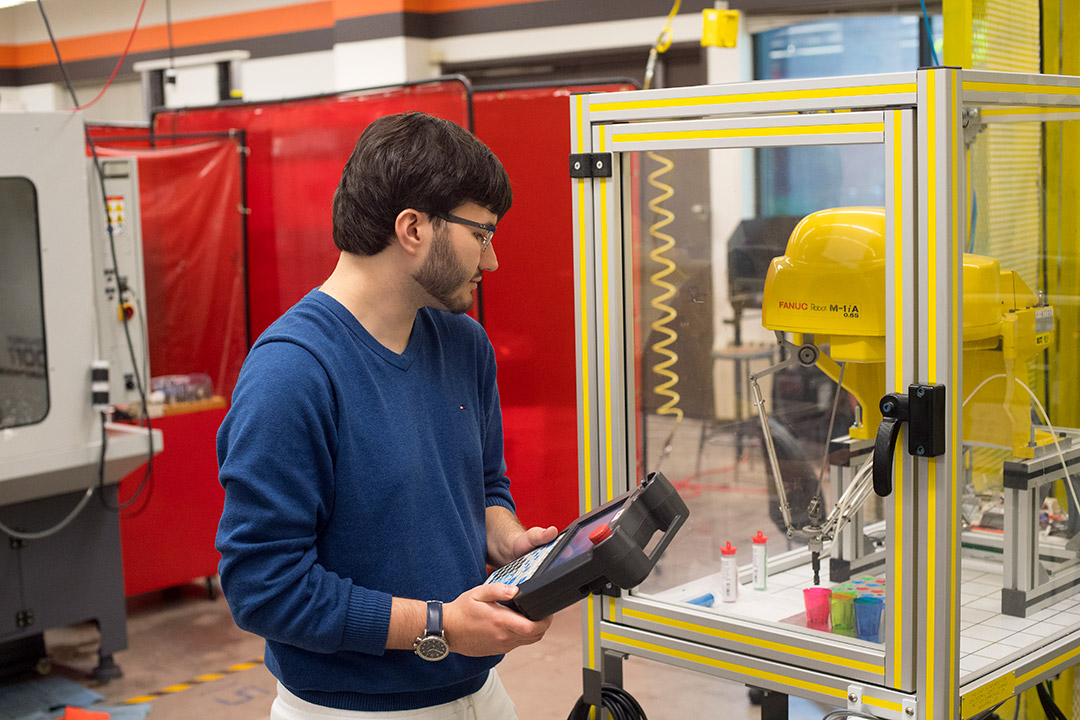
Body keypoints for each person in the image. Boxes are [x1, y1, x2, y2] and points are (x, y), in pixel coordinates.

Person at [215, 111, 558, 718]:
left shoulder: (464, 343)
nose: (493, 260)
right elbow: (263, 589)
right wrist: (439, 625)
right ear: (413, 228)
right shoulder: (292, 374)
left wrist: (505, 539)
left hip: (479, 694)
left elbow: (482, 483)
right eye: (482, 234)